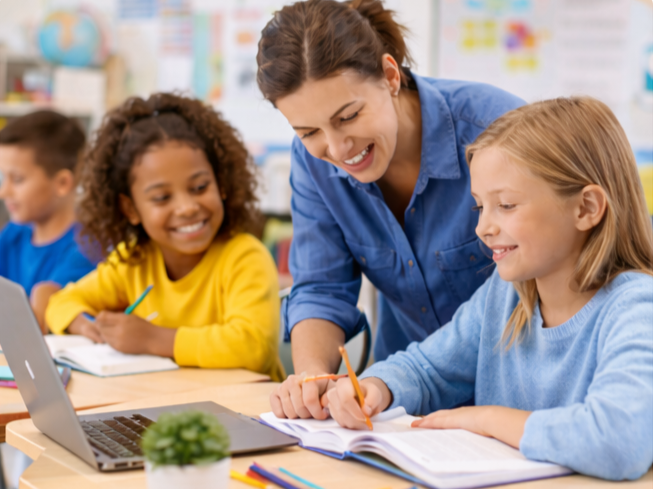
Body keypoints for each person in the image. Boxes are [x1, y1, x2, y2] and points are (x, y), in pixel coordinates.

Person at [323, 97, 653, 480]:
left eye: (507, 205)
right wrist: (376, 388)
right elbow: (428, 369)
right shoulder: (507, 295)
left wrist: (485, 419)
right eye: (480, 207)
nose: (483, 229)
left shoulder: (636, 307)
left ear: (585, 209)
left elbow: (619, 440)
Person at [257, 0, 524, 419]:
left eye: (348, 116)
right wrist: (312, 380)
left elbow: (564, 275)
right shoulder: (312, 162)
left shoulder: (497, 128)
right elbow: (322, 289)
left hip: (515, 401)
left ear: (390, 75)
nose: (338, 148)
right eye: (309, 131)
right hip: (399, 404)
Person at [45, 93, 284, 381]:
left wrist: (153, 339)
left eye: (199, 187)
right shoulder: (133, 259)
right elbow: (61, 302)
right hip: (171, 409)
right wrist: (86, 326)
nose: (186, 208)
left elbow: (252, 347)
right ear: (131, 208)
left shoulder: (245, 257)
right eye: (162, 198)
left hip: (244, 413)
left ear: (221, 183)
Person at [0, 110, 95, 332]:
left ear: (62, 183)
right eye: (3, 178)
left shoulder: (87, 246)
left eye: (18, 179)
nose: (4, 192)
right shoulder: (14, 233)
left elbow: (39, 322)